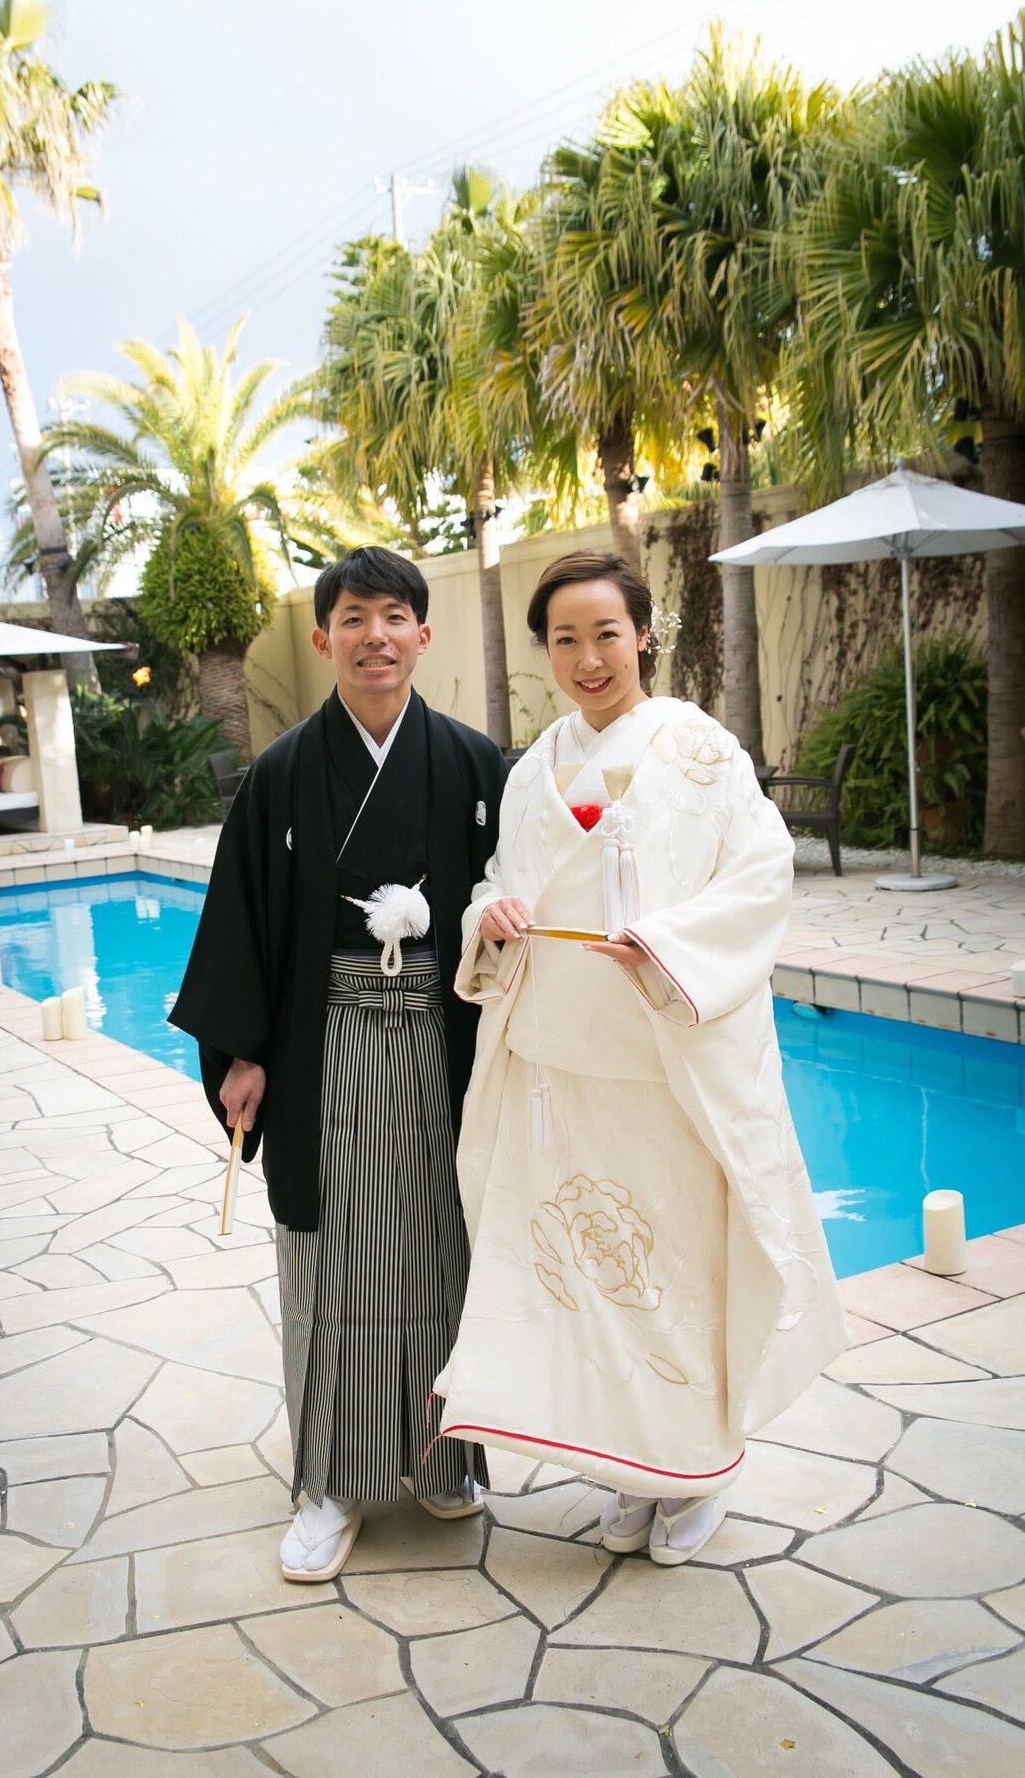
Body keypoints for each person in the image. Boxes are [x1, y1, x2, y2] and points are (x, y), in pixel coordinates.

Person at [434, 548, 846, 1566]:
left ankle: (696, 1466)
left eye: (605, 634)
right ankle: (630, 1469)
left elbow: (760, 874)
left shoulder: (700, 751)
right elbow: (498, 880)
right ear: (545, 649)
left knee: (673, 1281)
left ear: (643, 635)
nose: (587, 658)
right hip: (561, 1073)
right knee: (592, 1288)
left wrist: (667, 946)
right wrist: (490, 917)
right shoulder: (533, 769)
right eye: (564, 639)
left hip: (665, 1067)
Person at [170, 546, 507, 1583]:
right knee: (332, 1263)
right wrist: (243, 1051)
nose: (375, 636)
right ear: (324, 638)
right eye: (353, 617)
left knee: (445, 1250)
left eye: (393, 616)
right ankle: (331, 1480)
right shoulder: (281, 773)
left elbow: (519, 900)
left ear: (423, 634)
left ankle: (443, 1459)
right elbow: (242, 920)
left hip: (446, 1044)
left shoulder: (473, 764)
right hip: (326, 1047)